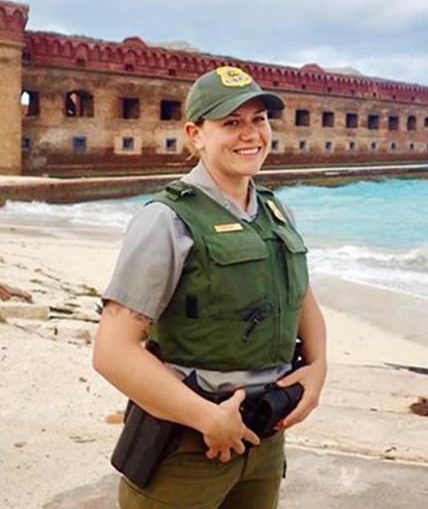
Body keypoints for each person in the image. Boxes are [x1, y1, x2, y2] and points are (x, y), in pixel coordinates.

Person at [93, 65, 327, 508]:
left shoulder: (276, 213)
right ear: (196, 134)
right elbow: (112, 351)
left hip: (264, 436)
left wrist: (318, 369)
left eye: (259, 119)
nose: (250, 134)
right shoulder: (167, 219)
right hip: (186, 445)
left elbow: (301, 297)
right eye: (231, 122)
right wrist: (207, 417)